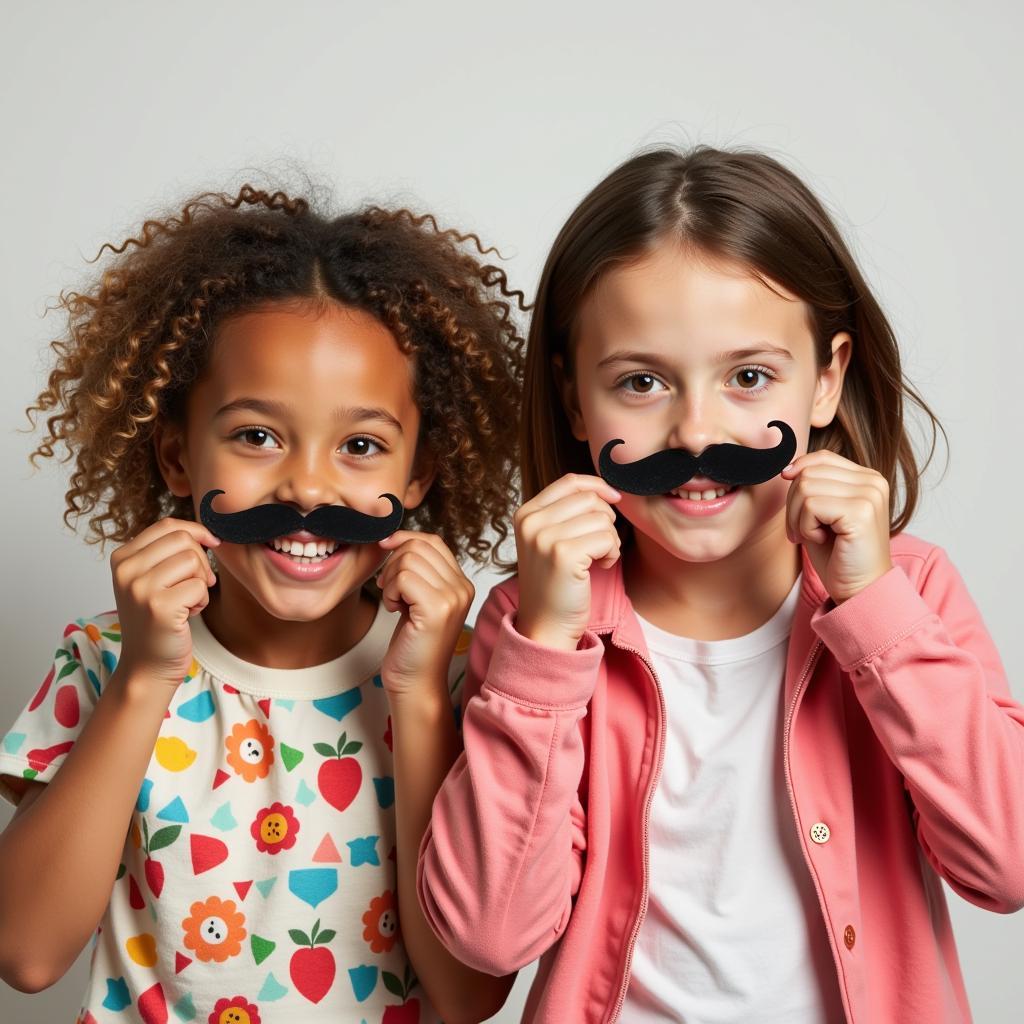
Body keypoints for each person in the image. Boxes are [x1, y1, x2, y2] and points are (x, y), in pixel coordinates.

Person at [416, 147, 1024, 1023]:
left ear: (827, 379)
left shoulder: (910, 591)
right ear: (575, 399)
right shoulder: (536, 623)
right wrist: (543, 652)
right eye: (640, 382)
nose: (695, 429)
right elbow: (491, 934)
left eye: (748, 377)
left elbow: (1005, 867)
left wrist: (875, 610)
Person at [0, 184, 523, 1024]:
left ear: (417, 476)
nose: (308, 486)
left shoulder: (467, 676)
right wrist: (143, 678)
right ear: (178, 456)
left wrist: (421, 698)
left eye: (360, 446)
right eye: (257, 436)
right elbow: (26, 954)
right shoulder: (106, 661)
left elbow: (468, 995)